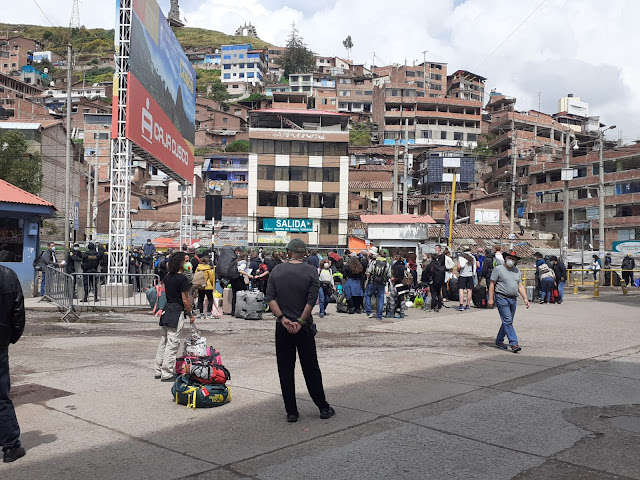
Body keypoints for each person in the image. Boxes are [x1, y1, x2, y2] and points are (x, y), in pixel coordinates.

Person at [265, 238, 334, 423]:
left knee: (285, 369)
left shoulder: (277, 270)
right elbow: (312, 300)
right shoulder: (312, 271)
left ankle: (292, 412)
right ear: (304, 254)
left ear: (288, 253)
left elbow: (270, 298)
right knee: (311, 367)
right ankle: (323, 407)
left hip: (283, 327)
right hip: (304, 328)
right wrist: (301, 321)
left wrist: (283, 319)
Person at [154, 251, 194, 382]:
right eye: (186, 261)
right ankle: (167, 373)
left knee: (163, 341)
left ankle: (158, 369)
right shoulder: (182, 279)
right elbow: (185, 300)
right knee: (173, 343)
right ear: (180, 263)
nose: (188, 263)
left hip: (166, 311)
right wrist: (190, 313)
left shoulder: (168, 276)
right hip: (176, 312)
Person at [0, 264, 26, 463]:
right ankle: (10, 447)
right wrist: (10, 337)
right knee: (1, 398)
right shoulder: (8, 275)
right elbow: (18, 312)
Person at [488, 251, 530, 353]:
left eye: (513, 259)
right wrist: (490, 298)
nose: (511, 260)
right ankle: (514, 343)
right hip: (501, 297)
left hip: (513, 298)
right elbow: (492, 284)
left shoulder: (517, 271)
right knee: (508, 320)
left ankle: (499, 340)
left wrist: (525, 298)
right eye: (509, 258)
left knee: (508, 321)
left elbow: (520, 285)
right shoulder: (498, 269)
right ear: (506, 258)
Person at [364, 247, 391, 320]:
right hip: (382, 283)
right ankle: (379, 315)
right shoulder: (387, 264)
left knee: (367, 295)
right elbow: (389, 275)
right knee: (380, 297)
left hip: (373, 281)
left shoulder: (374, 262)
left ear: (379, 254)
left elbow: (369, 272)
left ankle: (369, 312)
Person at [390, 254, 410, 318]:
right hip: (405, 285)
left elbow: (396, 277)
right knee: (401, 298)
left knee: (392, 297)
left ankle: (391, 311)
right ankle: (402, 312)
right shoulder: (404, 266)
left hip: (399, 285)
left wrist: (392, 279)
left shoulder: (397, 266)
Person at [457, 247, 476, 311]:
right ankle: (468, 305)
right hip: (470, 274)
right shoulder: (472, 257)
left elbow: (459, 267)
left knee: (461, 289)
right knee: (469, 290)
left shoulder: (461, 257)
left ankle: (461, 305)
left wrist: (458, 270)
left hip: (462, 274)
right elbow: (476, 265)